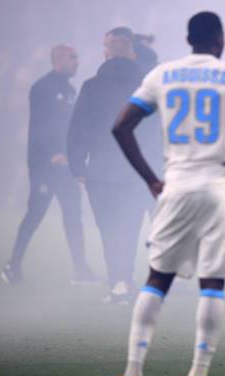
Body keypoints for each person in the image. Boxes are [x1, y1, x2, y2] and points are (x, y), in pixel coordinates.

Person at [108, 11, 225, 376]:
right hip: (219, 188)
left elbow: (121, 126)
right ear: (219, 40)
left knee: (157, 279)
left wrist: (150, 178)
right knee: (212, 284)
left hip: (176, 186)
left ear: (189, 40)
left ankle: (132, 374)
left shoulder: (162, 75)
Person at [67, 27, 151, 303]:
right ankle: (125, 280)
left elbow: (77, 129)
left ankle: (117, 282)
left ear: (106, 54)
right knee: (130, 227)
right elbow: (155, 130)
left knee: (108, 229)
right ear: (131, 53)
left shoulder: (91, 86)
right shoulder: (145, 86)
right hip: (136, 169)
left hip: (101, 171)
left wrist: (78, 166)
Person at [2, 44, 95, 285]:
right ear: (57, 60)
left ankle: (80, 269)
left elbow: (68, 126)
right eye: (72, 57)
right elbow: (43, 125)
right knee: (35, 214)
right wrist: (54, 152)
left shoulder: (70, 89)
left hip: (65, 165)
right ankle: (13, 265)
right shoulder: (43, 88)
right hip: (46, 165)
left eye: (77, 56)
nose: (77, 61)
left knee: (73, 214)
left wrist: (72, 156)